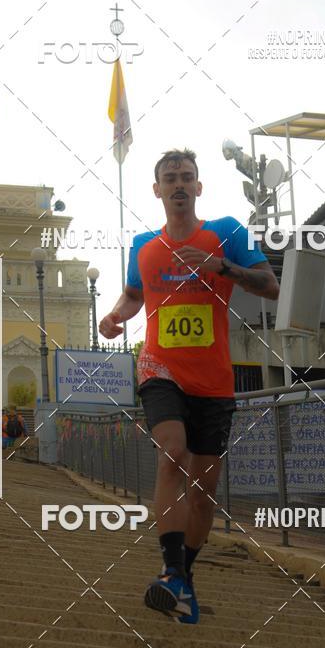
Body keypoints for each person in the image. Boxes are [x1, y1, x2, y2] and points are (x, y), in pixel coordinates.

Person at [99, 148, 279, 623]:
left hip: (214, 381)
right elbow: (136, 293)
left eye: (187, 178)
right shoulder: (144, 245)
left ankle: (182, 580)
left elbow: (270, 284)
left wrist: (222, 268)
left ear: (199, 188)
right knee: (171, 454)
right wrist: (117, 314)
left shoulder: (226, 234)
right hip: (160, 369)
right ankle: (170, 572)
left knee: (202, 493)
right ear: (156, 190)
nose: (178, 185)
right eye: (169, 178)